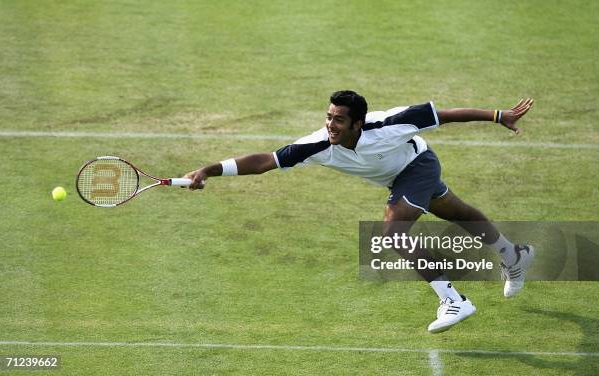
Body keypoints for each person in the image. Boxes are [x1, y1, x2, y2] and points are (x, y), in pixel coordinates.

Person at [183, 90, 535, 333]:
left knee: (393, 234)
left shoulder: (390, 124)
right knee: (461, 214)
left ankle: (454, 299)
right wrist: (209, 170)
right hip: (397, 179)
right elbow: (265, 162)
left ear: (358, 123)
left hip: (418, 165)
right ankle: (513, 255)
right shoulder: (319, 144)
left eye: (339, 119)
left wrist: (498, 115)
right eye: (328, 116)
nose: (330, 125)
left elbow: (444, 116)